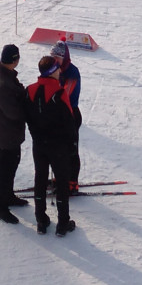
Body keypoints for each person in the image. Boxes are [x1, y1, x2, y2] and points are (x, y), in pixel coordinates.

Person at [26, 56, 82, 236]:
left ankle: (41, 220)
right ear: (52, 72)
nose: (60, 72)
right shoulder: (59, 92)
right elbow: (69, 122)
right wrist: (72, 144)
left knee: (40, 179)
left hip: (39, 145)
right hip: (58, 147)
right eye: (57, 69)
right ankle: (63, 223)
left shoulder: (29, 90)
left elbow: (27, 116)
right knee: (62, 183)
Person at [0, 44, 32, 223]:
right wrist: (30, 110)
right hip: (6, 135)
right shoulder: (3, 84)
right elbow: (14, 112)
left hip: (5, 133)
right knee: (4, 171)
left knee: (9, 168)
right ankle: (0, 207)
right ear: (15, 60)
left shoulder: (3, 73)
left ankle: (8, 196)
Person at [50, 40, 84, 194]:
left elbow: (65, 94)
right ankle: (60, 177)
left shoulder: (72, 72)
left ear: (65, 57)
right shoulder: (53, 69)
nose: (55, 60)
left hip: (71, 114)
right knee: (58, 150)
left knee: (71, 149)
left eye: (58, 57)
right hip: (58, 116)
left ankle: (72, 181)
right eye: (53, 56)